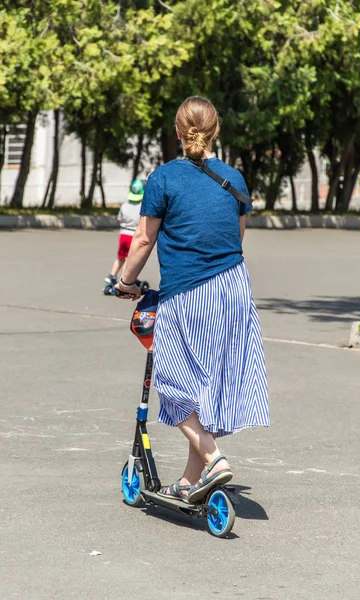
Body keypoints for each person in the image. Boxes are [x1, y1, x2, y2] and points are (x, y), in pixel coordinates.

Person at [116, 96, 269, 503]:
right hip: (234, 289)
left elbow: (145, 238)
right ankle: (189, 480)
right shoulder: (234, 178)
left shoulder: (164, 179)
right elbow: (235, 239)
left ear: (178, 133)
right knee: (209, 386)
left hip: (190, 293)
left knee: (171, 380)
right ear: (215, 131)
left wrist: (124, 280)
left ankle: (215, 460)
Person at [103, 179, 146, 292]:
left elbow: (119, 218)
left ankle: (111, 276)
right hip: (133, 236)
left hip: (123, 235)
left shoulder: (124, 205)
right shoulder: (142, 206)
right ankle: (125, 280)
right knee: (130, 259)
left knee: (120, 257)